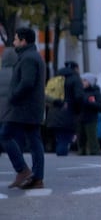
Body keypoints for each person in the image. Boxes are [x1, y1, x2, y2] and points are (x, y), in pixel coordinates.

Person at [0, 27, 46, 189]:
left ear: (24, 41)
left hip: (23, 107)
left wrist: (13, 96)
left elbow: (27, 82)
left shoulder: (28, 58)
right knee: (34, 141)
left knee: (5, 135)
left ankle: (23, 170)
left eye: (16, 39)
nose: (13, 42)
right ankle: (37, 178)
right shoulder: (32, 56)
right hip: (30, 107)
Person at [44, 61, 83, 156]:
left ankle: (60, 154)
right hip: (67, 113)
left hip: (53, 112)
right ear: (76, 68)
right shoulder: (75, 79)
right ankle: (61, 158)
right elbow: (79, 97)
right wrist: (78, 111)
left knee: (61, 138)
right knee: (64, 140)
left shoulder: (55, 78)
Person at [77, 73, 101, 155]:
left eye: (85, 80)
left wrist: (88, 103)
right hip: (80, 117)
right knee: (81, 137)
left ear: (90, 82)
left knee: (92, 137)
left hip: (91, 118)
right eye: (82, 81)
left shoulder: (95, 92)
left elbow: (100, 105)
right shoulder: (80, 92)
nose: (82, 82)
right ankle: (81, 151)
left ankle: (94, 151)